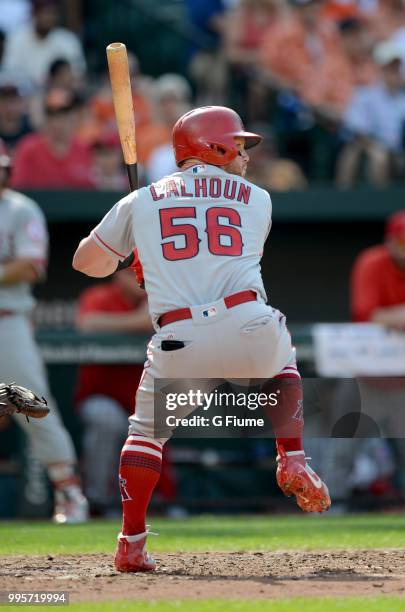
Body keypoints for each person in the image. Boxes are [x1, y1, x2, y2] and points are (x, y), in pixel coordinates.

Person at [72, 106, 331, 572]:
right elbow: (215, 248)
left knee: (145, 437)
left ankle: (131, 542)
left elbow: (85, 263)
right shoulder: (259, 200)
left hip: (180, 338)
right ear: (213, 146)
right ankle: (291, 455)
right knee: (280, 354)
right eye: (239, 144)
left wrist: (133, 253)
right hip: (247, 324)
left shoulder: (142, 199)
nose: (246, 154)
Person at [0, 140, 88, 523]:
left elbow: (30, 266)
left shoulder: (19, 208)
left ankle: (68, 492)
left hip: (7, 321)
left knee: (32, 405)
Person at [75, 270, 153, 514]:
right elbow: (87, 323)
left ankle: (158, 502)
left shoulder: (159, 296)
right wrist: (138, 321)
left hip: (143, 396)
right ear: (118, 276)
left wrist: (137, 321)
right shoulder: (100, 296)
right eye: (132, 275)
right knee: (107, 420)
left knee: (157, 425)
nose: (140, 280)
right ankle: (97, 501)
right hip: (101, 394)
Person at [336, 42, 405, 188]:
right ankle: (378, 204)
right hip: (373, 148)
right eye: (389, 69)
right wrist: (377, 145)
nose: (394, 73)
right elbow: (356, 129)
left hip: (399, 149)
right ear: (380, 70)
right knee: (375, 155)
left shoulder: (402, 98)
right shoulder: (365, 95)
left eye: (396, 69)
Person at [11, 88, 94, 190]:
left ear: (75, 116)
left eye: (64, 114)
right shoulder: (29, 148)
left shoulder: (85, 149)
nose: (58, 121)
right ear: (46, 118)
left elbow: (93, 191)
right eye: (53, 115)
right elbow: (18, 189)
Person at [2, 0, 86, 89]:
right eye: (44, 13)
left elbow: (78, 75)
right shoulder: (16, 38)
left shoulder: (68, 40)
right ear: (34, 13)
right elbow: (8, 74)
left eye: (52, 13)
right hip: (24, 96)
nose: (48, 18)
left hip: (58, 95)